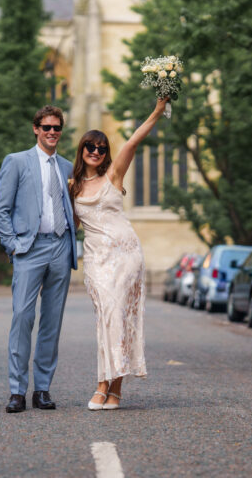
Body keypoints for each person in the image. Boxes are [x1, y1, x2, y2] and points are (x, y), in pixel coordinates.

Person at [69, 97, 168, 410]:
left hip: (126, 255)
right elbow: (68, 225)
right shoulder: (71, 186)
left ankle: (111, 389)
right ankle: (106, 383)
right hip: (97, 260)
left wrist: (157, 109)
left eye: (101, 148)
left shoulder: (113, 176)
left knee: (121, 318)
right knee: (107, 317)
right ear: (82, 150)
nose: (96, 152)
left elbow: (135, 139)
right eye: (90, 147)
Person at [0, 105, 78, 413]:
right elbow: (1, 210)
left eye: (57, 128)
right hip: (29, 249)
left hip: (60, 248)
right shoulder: (17, 162)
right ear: (36, 129)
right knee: (22, 318)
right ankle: (17, 391)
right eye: (46, 127)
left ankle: (42, 390)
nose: (52, 132)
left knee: (51, 324)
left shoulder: (68, 167)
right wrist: (12, 245)